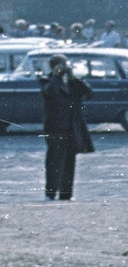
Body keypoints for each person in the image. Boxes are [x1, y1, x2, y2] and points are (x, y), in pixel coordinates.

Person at [40, 54, 94, 201]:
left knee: (70, 161)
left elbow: (88, 93)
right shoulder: (46, 80)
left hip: (71, 126)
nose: (62, 68)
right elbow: (51, 91)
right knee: (54, 161)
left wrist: (73, 78)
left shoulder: (72, 82)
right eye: (59, 65)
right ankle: (50, 193)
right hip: (55, 127)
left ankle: (66, 194)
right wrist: (56, 76)